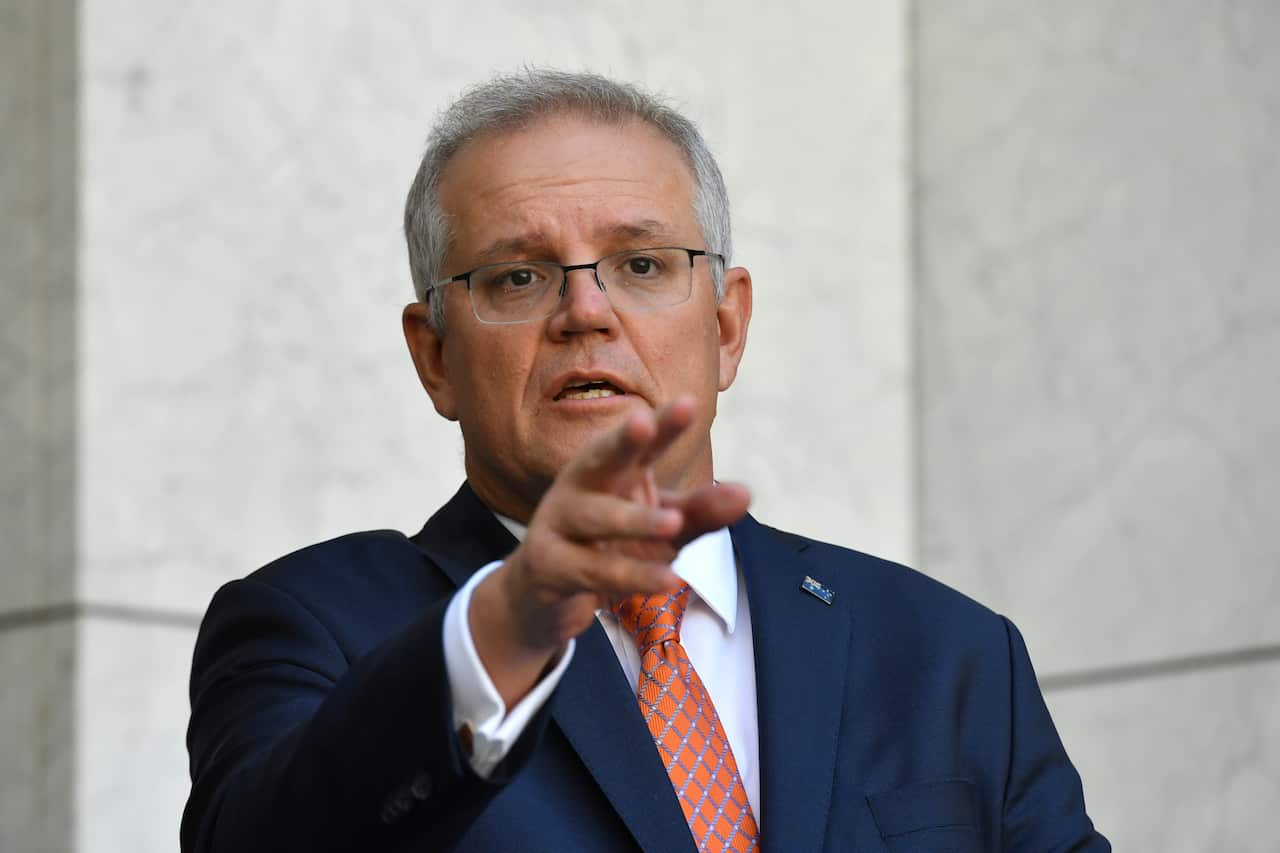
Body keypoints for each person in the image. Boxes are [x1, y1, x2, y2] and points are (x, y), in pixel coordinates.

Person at [182, 69, 1109, 853]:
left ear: (727, 324)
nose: (585, 311)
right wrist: (511, 621)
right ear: (434, 356)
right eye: (517, 276)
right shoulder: (312, 626)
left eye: (642, 264)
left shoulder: (948, 653)